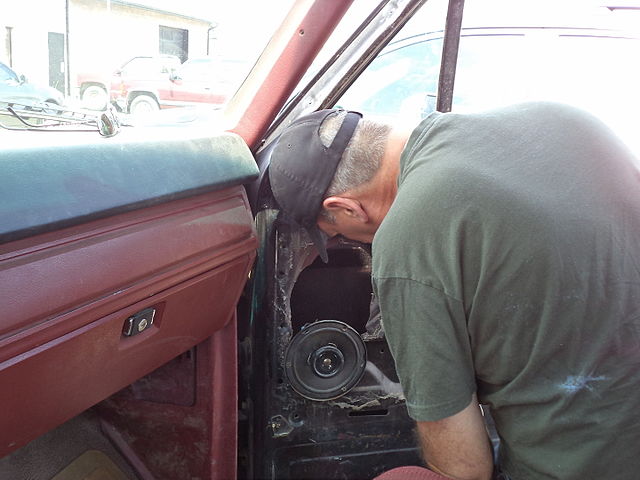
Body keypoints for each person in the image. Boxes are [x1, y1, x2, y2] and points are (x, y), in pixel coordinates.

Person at [268, 103, 640, 480]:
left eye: (338, 234)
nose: (351, 242)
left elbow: (466, 469)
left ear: (345, 208)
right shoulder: (566, 119)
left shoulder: (408, 243)